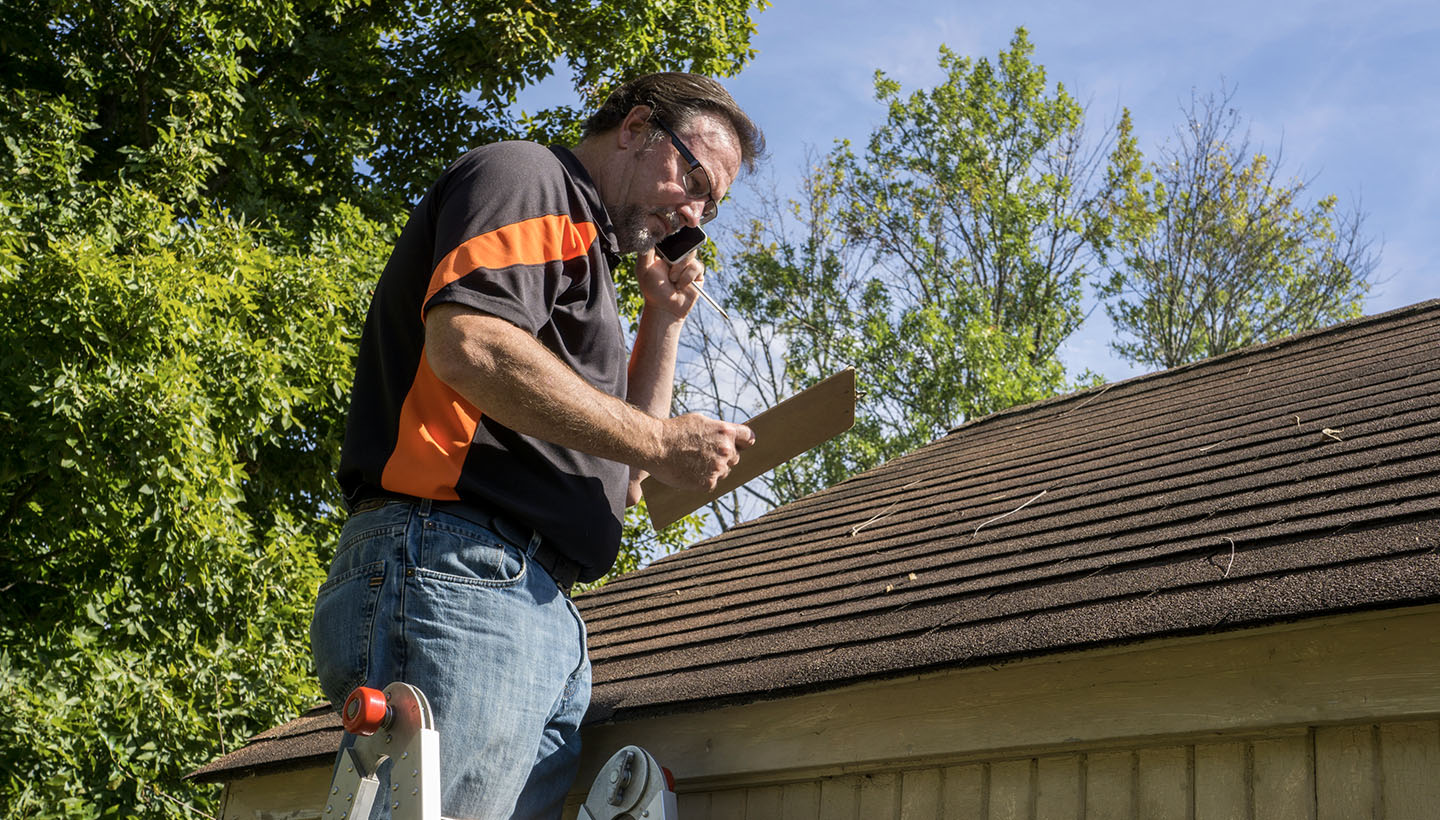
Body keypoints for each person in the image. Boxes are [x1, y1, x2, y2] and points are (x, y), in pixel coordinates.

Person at [309, 72, 764, 819]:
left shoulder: (594, 269)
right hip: (458, 567)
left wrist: (665, 320)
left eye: (711, 207)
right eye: (694, 178)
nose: (694, 212)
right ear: (637, 126)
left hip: (532, 604)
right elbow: (470, 346)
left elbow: (627, 476)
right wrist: (656, 436)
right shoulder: (528, 177)